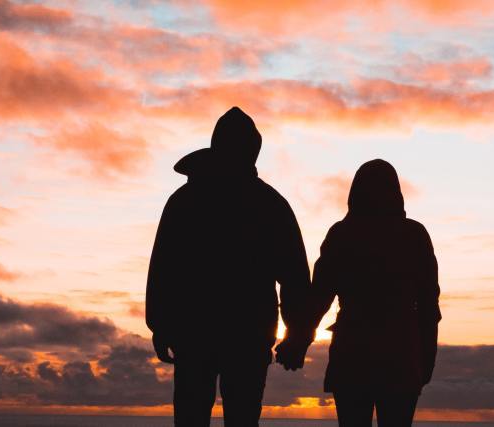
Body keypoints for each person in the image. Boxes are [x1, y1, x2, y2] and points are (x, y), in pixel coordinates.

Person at [146, 107, 312, 426]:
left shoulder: (183, 201)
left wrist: (160, 323)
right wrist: (297, 334)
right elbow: (294, 277)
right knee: (241, 417)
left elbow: (163, 271)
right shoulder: (270, 204)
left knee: (194, 417)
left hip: (197, 331)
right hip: (245, 333)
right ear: (253, 151)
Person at [278, 159, 441, 427]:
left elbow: (318, 299)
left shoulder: (342, 234)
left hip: (352, 356)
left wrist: (297, 341)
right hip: (401, 358)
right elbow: (428, 308)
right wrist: (425, 362)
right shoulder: (415, 235)